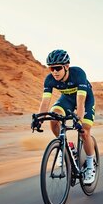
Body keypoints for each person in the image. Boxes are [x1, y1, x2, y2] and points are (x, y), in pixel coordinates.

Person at [32, 49, 97, 184]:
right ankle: (66, 147)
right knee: (54, 116)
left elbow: (80, 102)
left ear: (66, 66)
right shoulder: (49, 80)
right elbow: (45, 103)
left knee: (84, 131)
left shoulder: (78, 74)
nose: (54, 71)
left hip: (85, 100)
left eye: (57, 68)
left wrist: (78, 120)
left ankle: (90, 166)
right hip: (66, 100)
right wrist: (39, 119)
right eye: (51, 68)